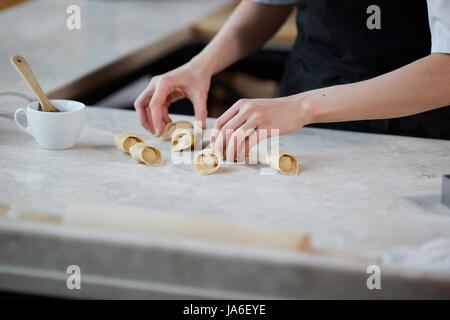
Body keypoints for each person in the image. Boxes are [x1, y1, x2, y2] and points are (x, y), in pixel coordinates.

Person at [134, 0, 450, 163]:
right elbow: (271, 4)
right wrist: (200, 66)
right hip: (304, 96)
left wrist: (301, 108)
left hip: (417, 119)